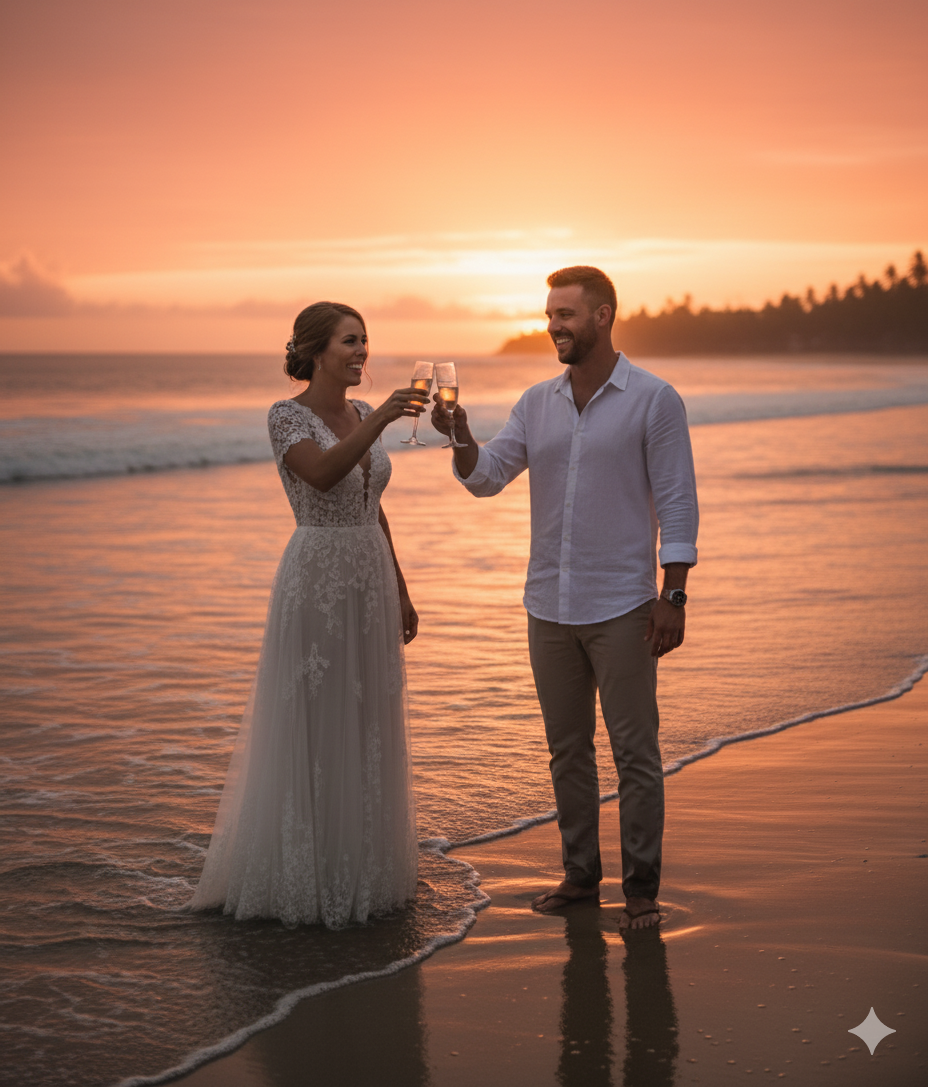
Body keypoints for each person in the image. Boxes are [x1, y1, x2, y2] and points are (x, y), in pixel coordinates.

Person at [431, 266, 698, 930]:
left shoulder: (654, 399)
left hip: (624, 607)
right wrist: (460, 434)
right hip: (547, 605)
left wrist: (675, 594)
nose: (554, 325)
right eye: (550, 314)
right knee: (566, 750)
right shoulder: (536, 402)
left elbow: (677, 500)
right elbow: (487, 478)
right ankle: (581, 878)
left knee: (635, 752)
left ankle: (641, 891)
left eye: (567, 315)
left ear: (603, 316)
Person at [190, 302, 427, 928]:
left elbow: (371, 503)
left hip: (369, 575)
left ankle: (362, 869)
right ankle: (303, 875)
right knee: (315, 718)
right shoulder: (286, 415)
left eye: (365, 341)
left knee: (366, 717)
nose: (361, 352)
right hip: (317, 575)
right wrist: (379, 421)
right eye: (350, 342)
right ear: (316, 351)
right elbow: (322, 476)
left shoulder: (358, 414)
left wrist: (400, 586)